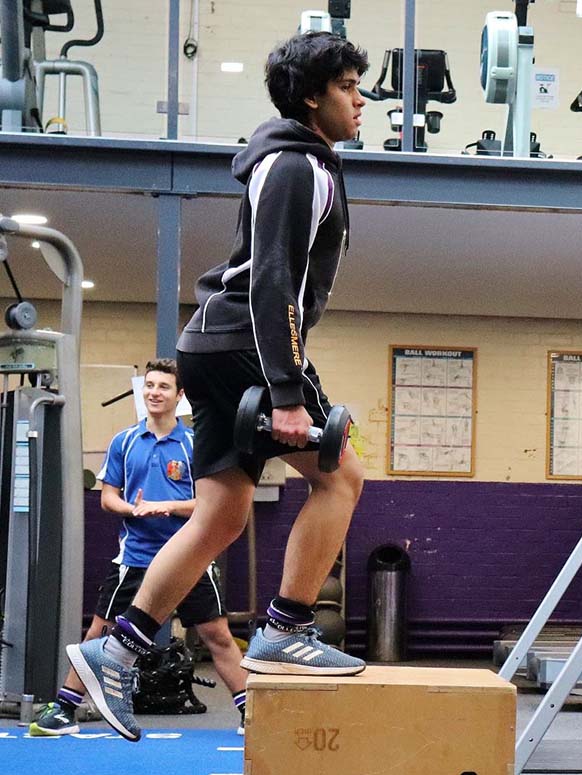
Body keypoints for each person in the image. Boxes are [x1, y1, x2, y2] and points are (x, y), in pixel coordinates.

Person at [66, 32, 369, 743]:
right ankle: (287, 628)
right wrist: (288, 392)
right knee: (341, 478)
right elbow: (274, 282)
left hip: (213, 345)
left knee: (220, 515)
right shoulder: (298, 166)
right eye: (349, 87)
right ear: (310, 97)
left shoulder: (293, 160)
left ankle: (116, 651)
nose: (361, 101)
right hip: (244, 346)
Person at [31, 360, 249, 737]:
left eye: (163, 387)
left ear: (179, 396)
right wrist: (134, 508)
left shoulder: (196, 444)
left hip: (189, 556)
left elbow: (211, 504)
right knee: (99, 633)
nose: (154, 393)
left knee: (218, 636)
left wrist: (168, 506)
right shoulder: (124, 441)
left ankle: (253, 714)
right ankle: (64, 709)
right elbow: (108, 498)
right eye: (149, 385)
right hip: (135, 559)